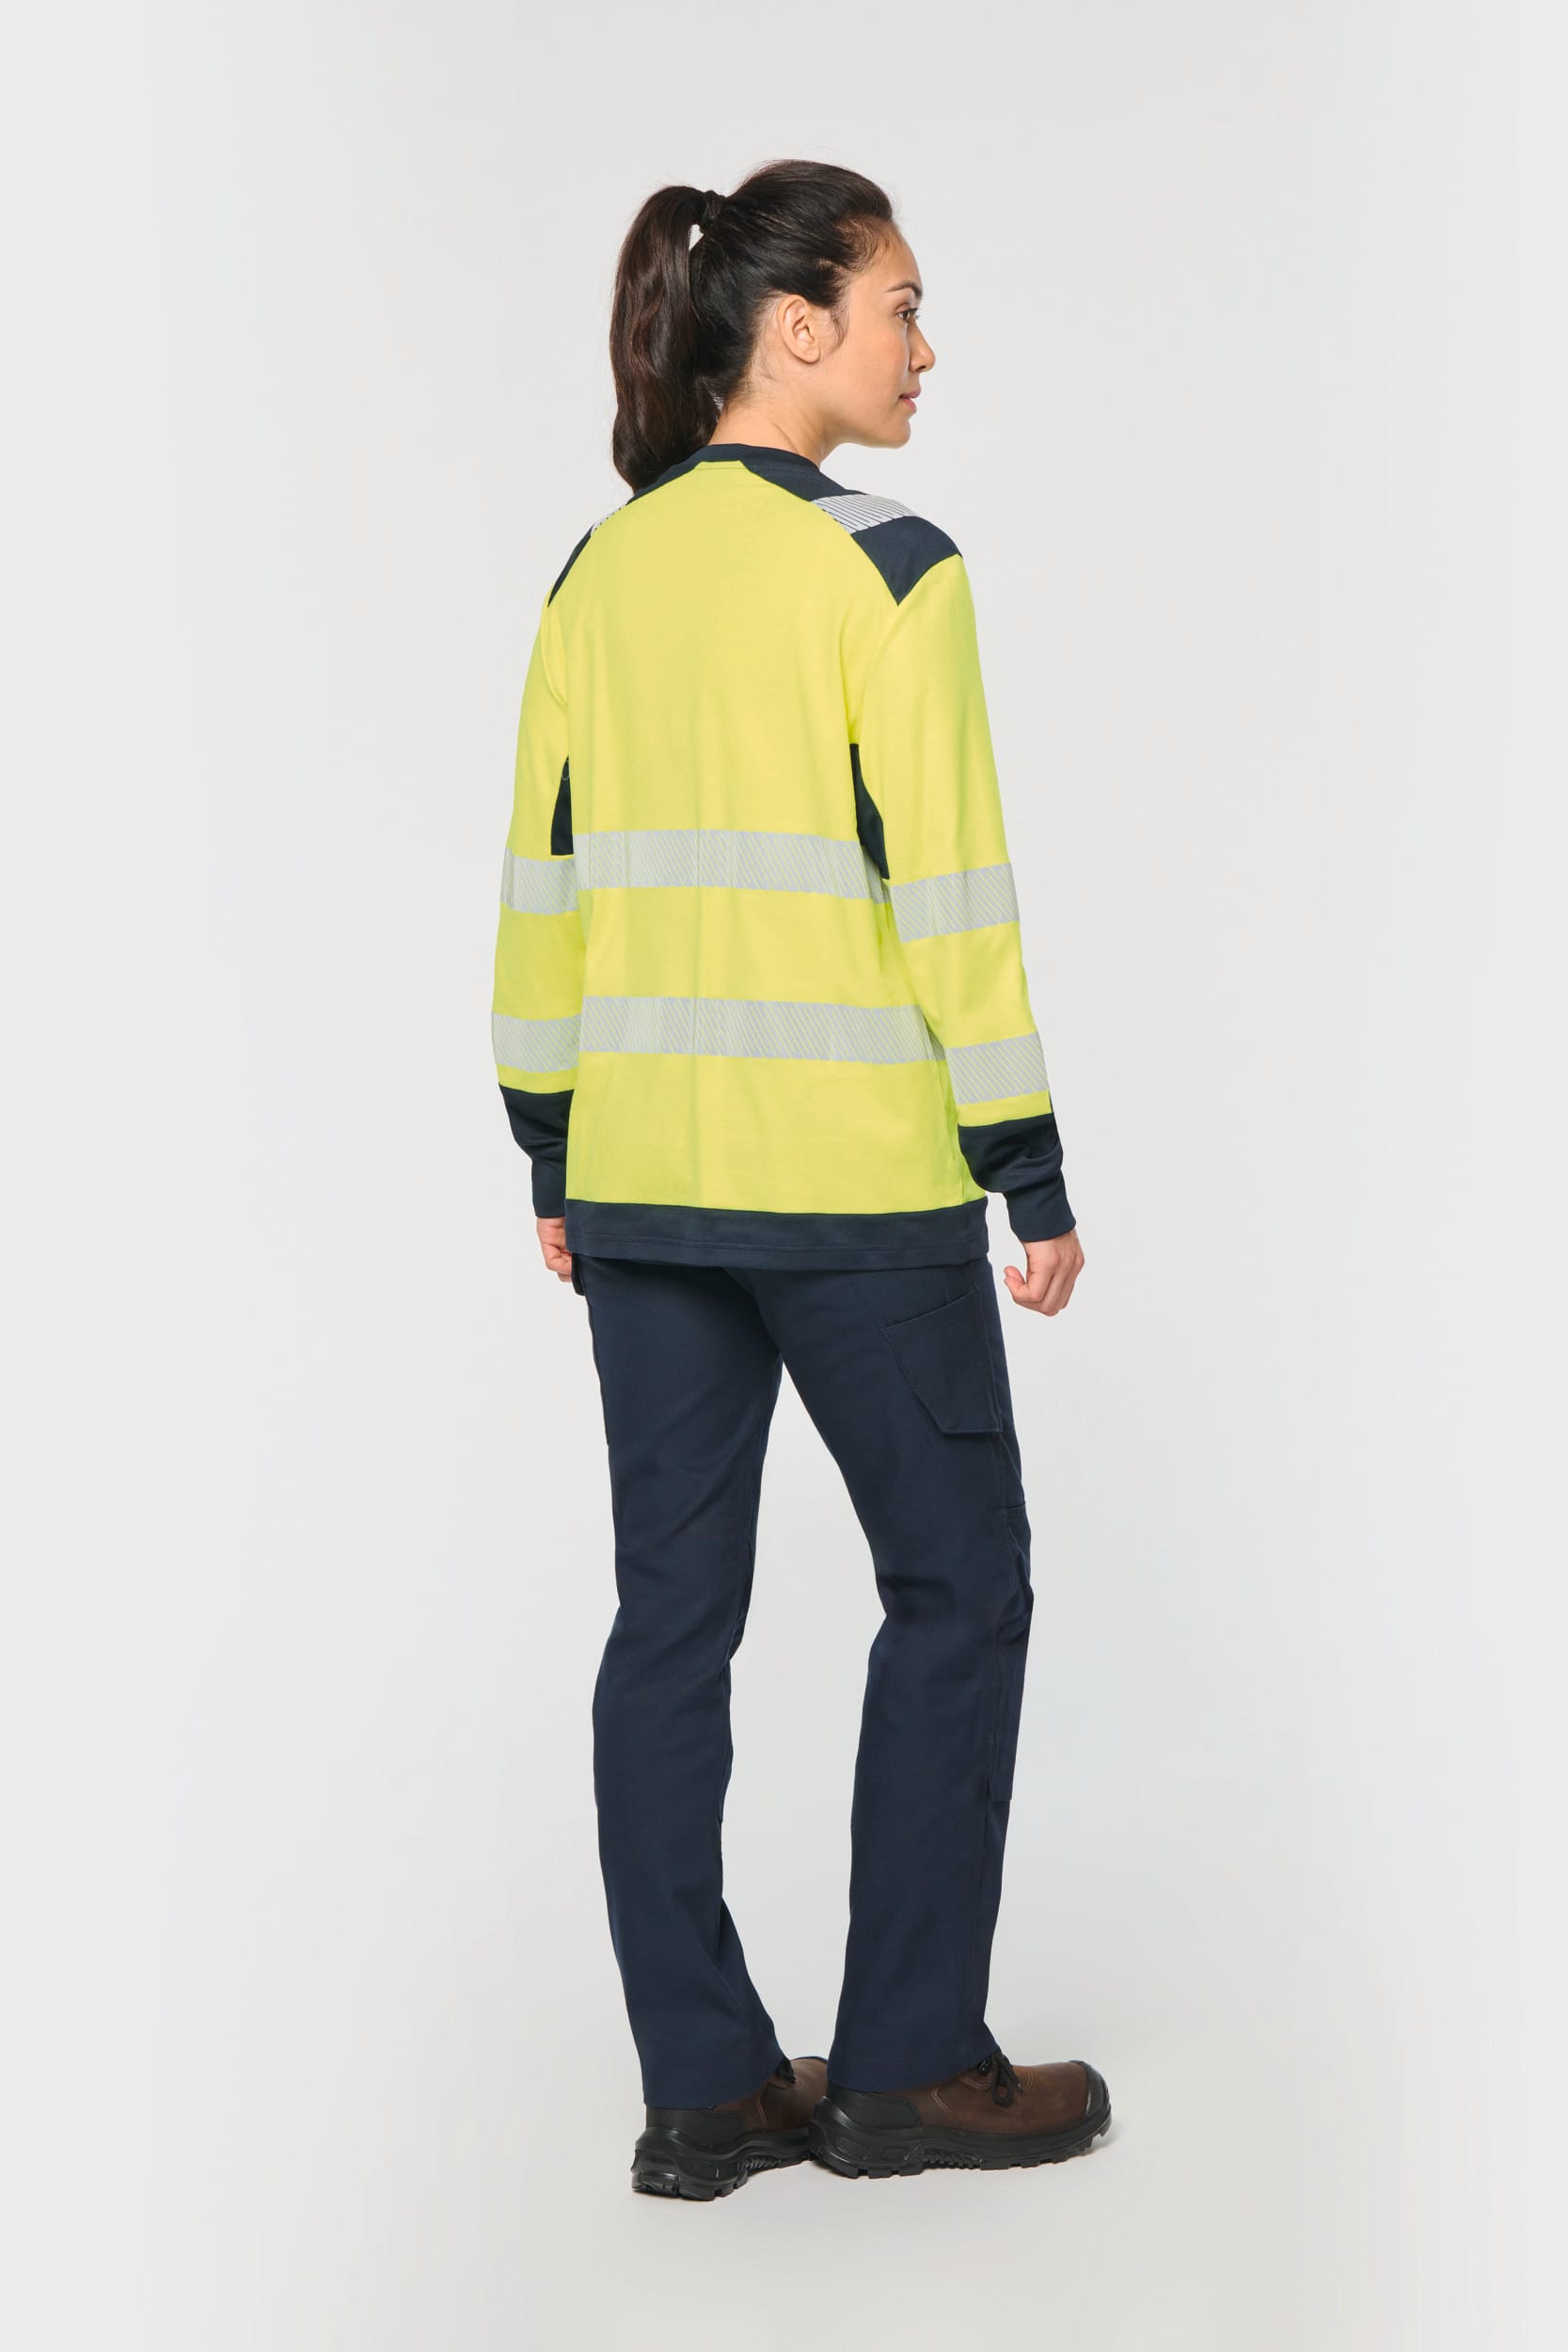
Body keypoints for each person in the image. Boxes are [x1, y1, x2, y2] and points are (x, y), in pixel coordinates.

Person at [490, 158, 1111, 2198]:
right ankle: (906, 2067)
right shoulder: (891, 568)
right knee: (959, 1590)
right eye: (903, 306)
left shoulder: (598, 572)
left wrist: (550, 1139)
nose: (927, 350)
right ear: (798, 327)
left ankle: (703, 2089)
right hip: (852, 1195)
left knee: (669, 1626)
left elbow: (541, 890)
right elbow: (957, 902)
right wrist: (1025, 1167)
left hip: (643, 1189)